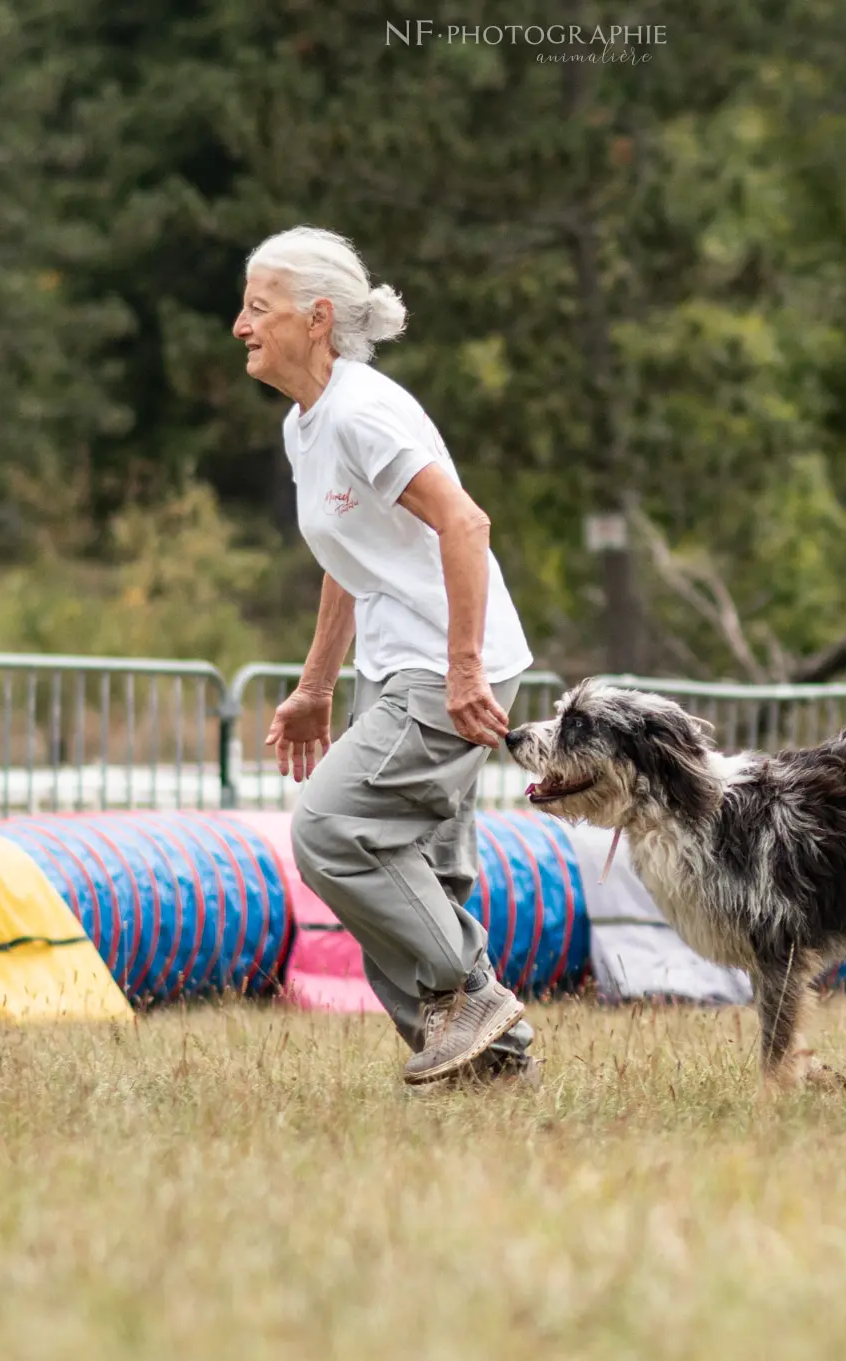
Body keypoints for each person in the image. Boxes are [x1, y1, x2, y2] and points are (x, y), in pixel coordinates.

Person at [234, 225, 539, 1088]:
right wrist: (315, 685)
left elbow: (466, 523)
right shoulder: (309, 425)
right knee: (422, 869)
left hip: (442, 665)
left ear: (317, 318)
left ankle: (471, 993)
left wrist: (465, 667)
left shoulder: (365, 410)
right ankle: (494, 1067)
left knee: (332, 829)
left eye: (259, 306)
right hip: (401, 665)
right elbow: (349, 558)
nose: (240, 325)